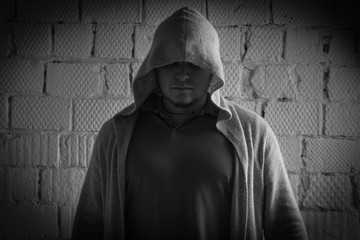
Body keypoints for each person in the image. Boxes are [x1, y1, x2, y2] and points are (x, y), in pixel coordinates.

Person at [71, 7, 308, 240]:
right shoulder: (115, 134)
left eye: (195, 63)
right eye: (172, 62)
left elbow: (285, 224)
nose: (183, 73)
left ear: (212, 71)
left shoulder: (253, 134)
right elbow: (89, 223)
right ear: (154, 68)